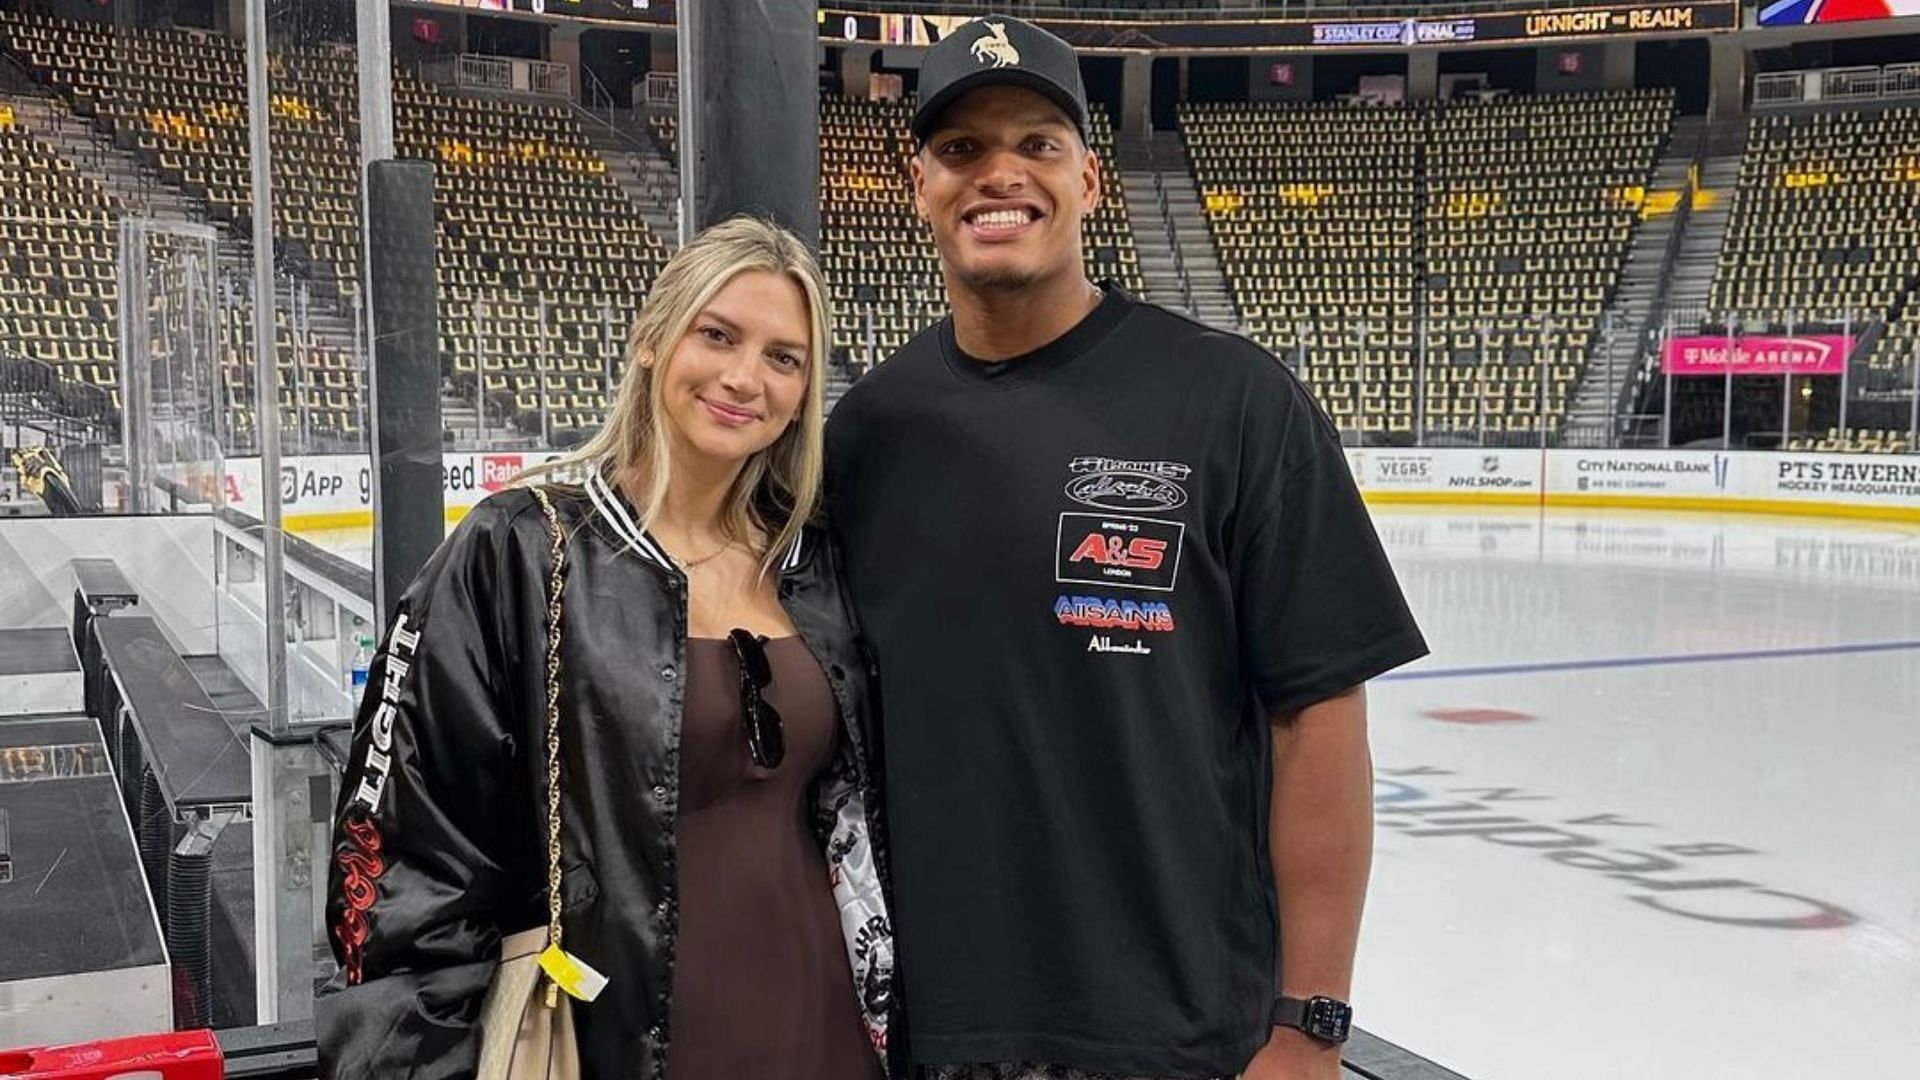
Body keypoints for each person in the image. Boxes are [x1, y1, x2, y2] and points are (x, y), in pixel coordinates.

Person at [825, 17, 1428, 1080]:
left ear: (1092, 181)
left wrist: (1310, 1022)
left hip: (1185, 1036)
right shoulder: (867, 433)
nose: (998, 174)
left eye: (1037, 146)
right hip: (933, 1036)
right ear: (920, 185)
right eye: (962, 151)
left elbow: (1318, 719)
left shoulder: (1236, 403)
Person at [318, 216, 892, 1079]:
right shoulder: (518, 551)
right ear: (652, 342)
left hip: (829, 1028)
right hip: (621, 1043)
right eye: (718, 334)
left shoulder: (813, 562)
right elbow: (410, 861)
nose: (745, 377)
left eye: (785, 357)